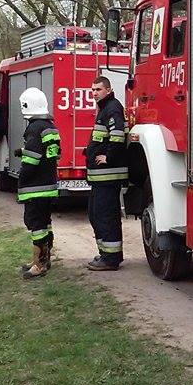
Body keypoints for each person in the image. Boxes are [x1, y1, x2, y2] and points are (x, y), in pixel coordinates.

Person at [15, 87, 60, 279]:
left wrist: (21, 180)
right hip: (48, 183)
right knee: (45, 223)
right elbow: (50, 153)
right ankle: (43, 260)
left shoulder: (33, 128)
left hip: (35, 187)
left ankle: (39, 265)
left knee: (36, 225)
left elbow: (33, 160)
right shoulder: (50, 126)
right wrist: (23, 152)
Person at [84, 76, 128, 271]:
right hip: (100, 177)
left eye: (98, 89)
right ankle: (105, 254)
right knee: (95, 214)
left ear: (108, 90)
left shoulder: (112, 108)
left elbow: (118, 135)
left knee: (106, 216)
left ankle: (111, 259)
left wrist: (107, 157)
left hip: (108, 175)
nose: (95, 93)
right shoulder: (105, 108)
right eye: (93, 90)